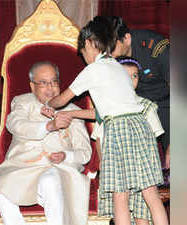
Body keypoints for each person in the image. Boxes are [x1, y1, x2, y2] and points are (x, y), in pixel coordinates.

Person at [46, 16, 168, 225]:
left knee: (120, 196)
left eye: (82, 54)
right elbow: (108, 109)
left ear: (87, 44)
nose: (84, 58)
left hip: (118, 131)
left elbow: (62, 99)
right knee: (150, 195)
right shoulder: (117, 67)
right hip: (140, 127)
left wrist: (50, 103)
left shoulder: (93, 70)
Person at [0, 61, 93, 225]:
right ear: (32, 86)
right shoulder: (22, 102)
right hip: (22, 166)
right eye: (43, 83)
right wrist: (48, 126)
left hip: (57, 168)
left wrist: (66, 155)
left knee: (49, 180)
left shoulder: (73, 111)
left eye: (54, 82)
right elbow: (15, 124)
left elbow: (85, 152)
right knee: (2, 191)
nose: (50, 88)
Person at [91, 56, 165, 225]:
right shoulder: (107, 107)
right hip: (119, 167)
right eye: (125, 76)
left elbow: (154, 137)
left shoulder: (144, 105)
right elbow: (100, 137)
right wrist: (102, 160)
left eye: (135, 76)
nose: (131, 80)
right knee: (121, 203)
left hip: (141, 167)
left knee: (143, 212)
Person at [108, 16, 170, 168]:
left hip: (167, 103)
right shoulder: (108, 58)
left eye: (111, 48)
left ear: (127, 38)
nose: (108, 54)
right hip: (135, 107)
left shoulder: (154, 46)